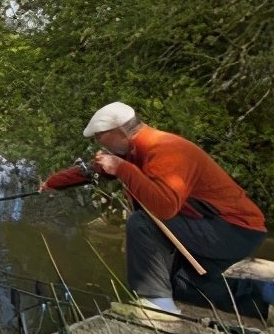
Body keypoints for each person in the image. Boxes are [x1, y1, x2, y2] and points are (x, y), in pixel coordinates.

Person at [41, 101, 274, 318]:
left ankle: (158, 306)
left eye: (100, 136)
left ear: (120, 132)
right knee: (182, 285)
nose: (99, 143)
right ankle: (267, 298)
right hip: (216, 227)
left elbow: (164, 209)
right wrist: (52, 183)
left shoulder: (166, 150)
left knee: (142, 222)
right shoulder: (132, 152)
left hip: (234, 229)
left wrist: (123, 169)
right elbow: (92, 171)